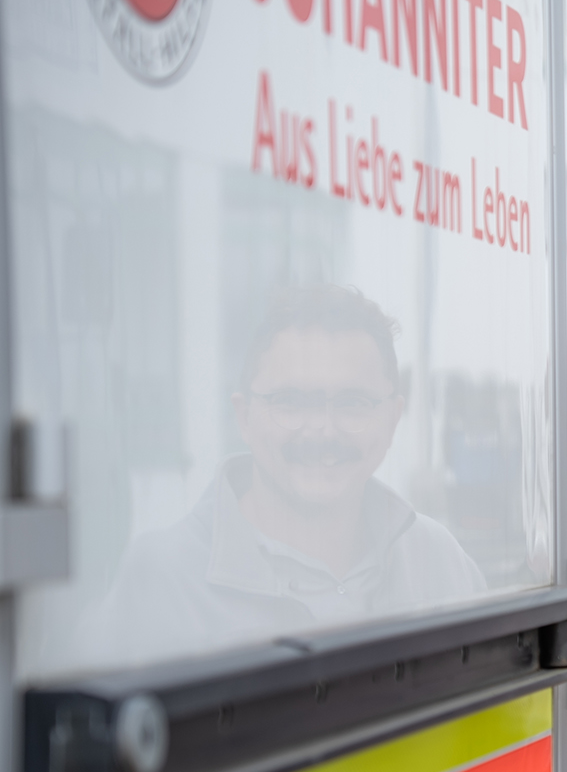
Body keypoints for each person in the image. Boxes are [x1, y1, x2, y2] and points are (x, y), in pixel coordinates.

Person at [79, 284, 485, 671]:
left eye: (353, 402)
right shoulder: (161, 580)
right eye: (291, 401)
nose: (323, 430)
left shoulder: (440, 562)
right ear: (245, 417)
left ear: (393, 419)